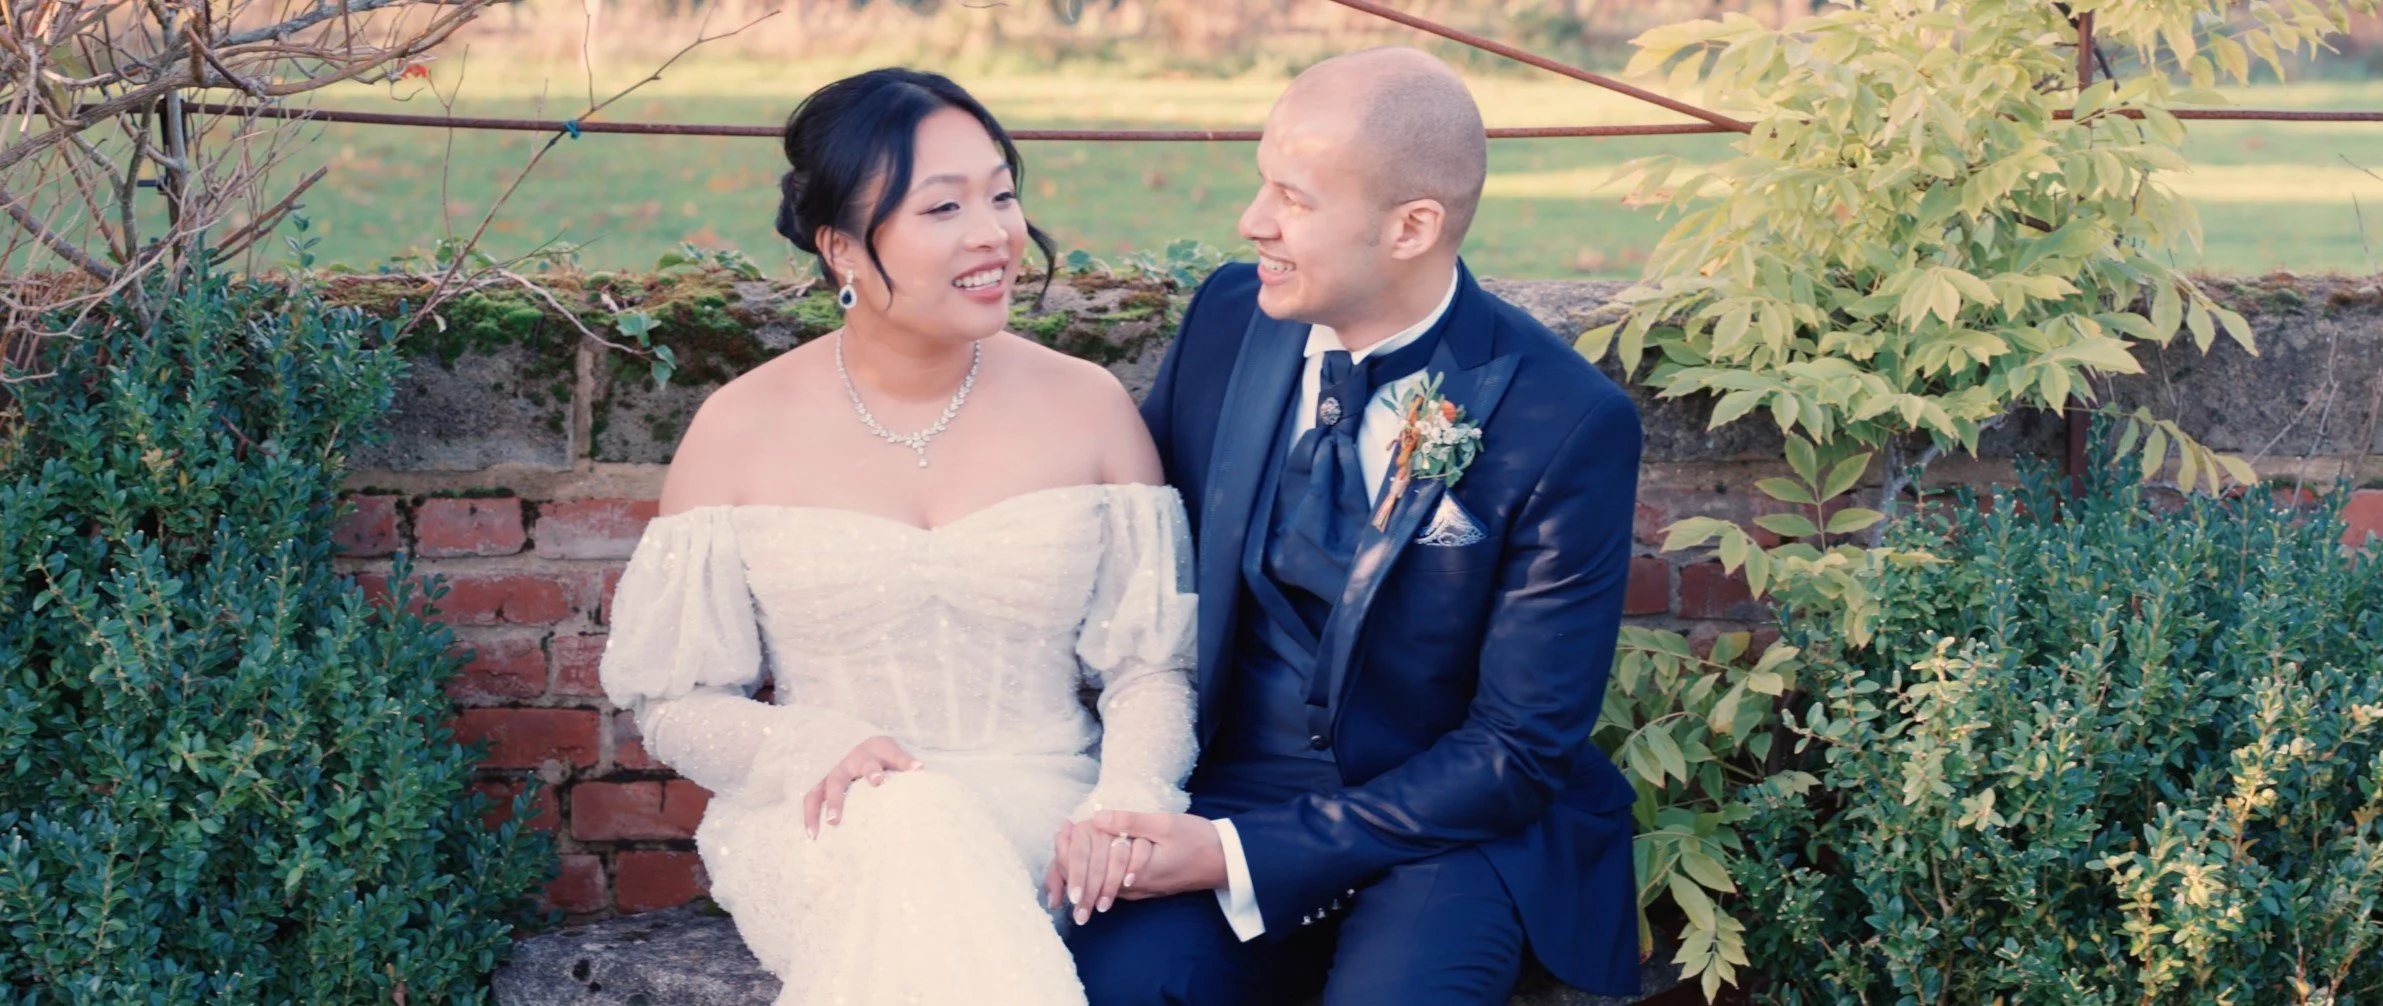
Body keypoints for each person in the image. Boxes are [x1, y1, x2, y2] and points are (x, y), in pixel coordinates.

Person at [597, 68, 1198, 1006]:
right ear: (841, 246)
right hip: (822, 816)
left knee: (928, 846)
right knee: (907, 821)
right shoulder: (739, 427)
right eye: (943, 207)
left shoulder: (1088, 408)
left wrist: (1128, 802)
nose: (992, 233)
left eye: (1000, 194)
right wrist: (809, 745)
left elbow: (1151, 668)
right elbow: (674, 700)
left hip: (1044, 814)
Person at [1059, 47, 1645, 1005]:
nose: (1253, 221)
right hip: (1229, 785)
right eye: (1262, 184)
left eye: (1293, 198)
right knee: (1120, 986)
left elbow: (1519, 746)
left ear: (1412, 226)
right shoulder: (1227, 320)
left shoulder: (1564, 420)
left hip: (1450, 827)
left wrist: (1238, 855)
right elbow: (1132, 562)